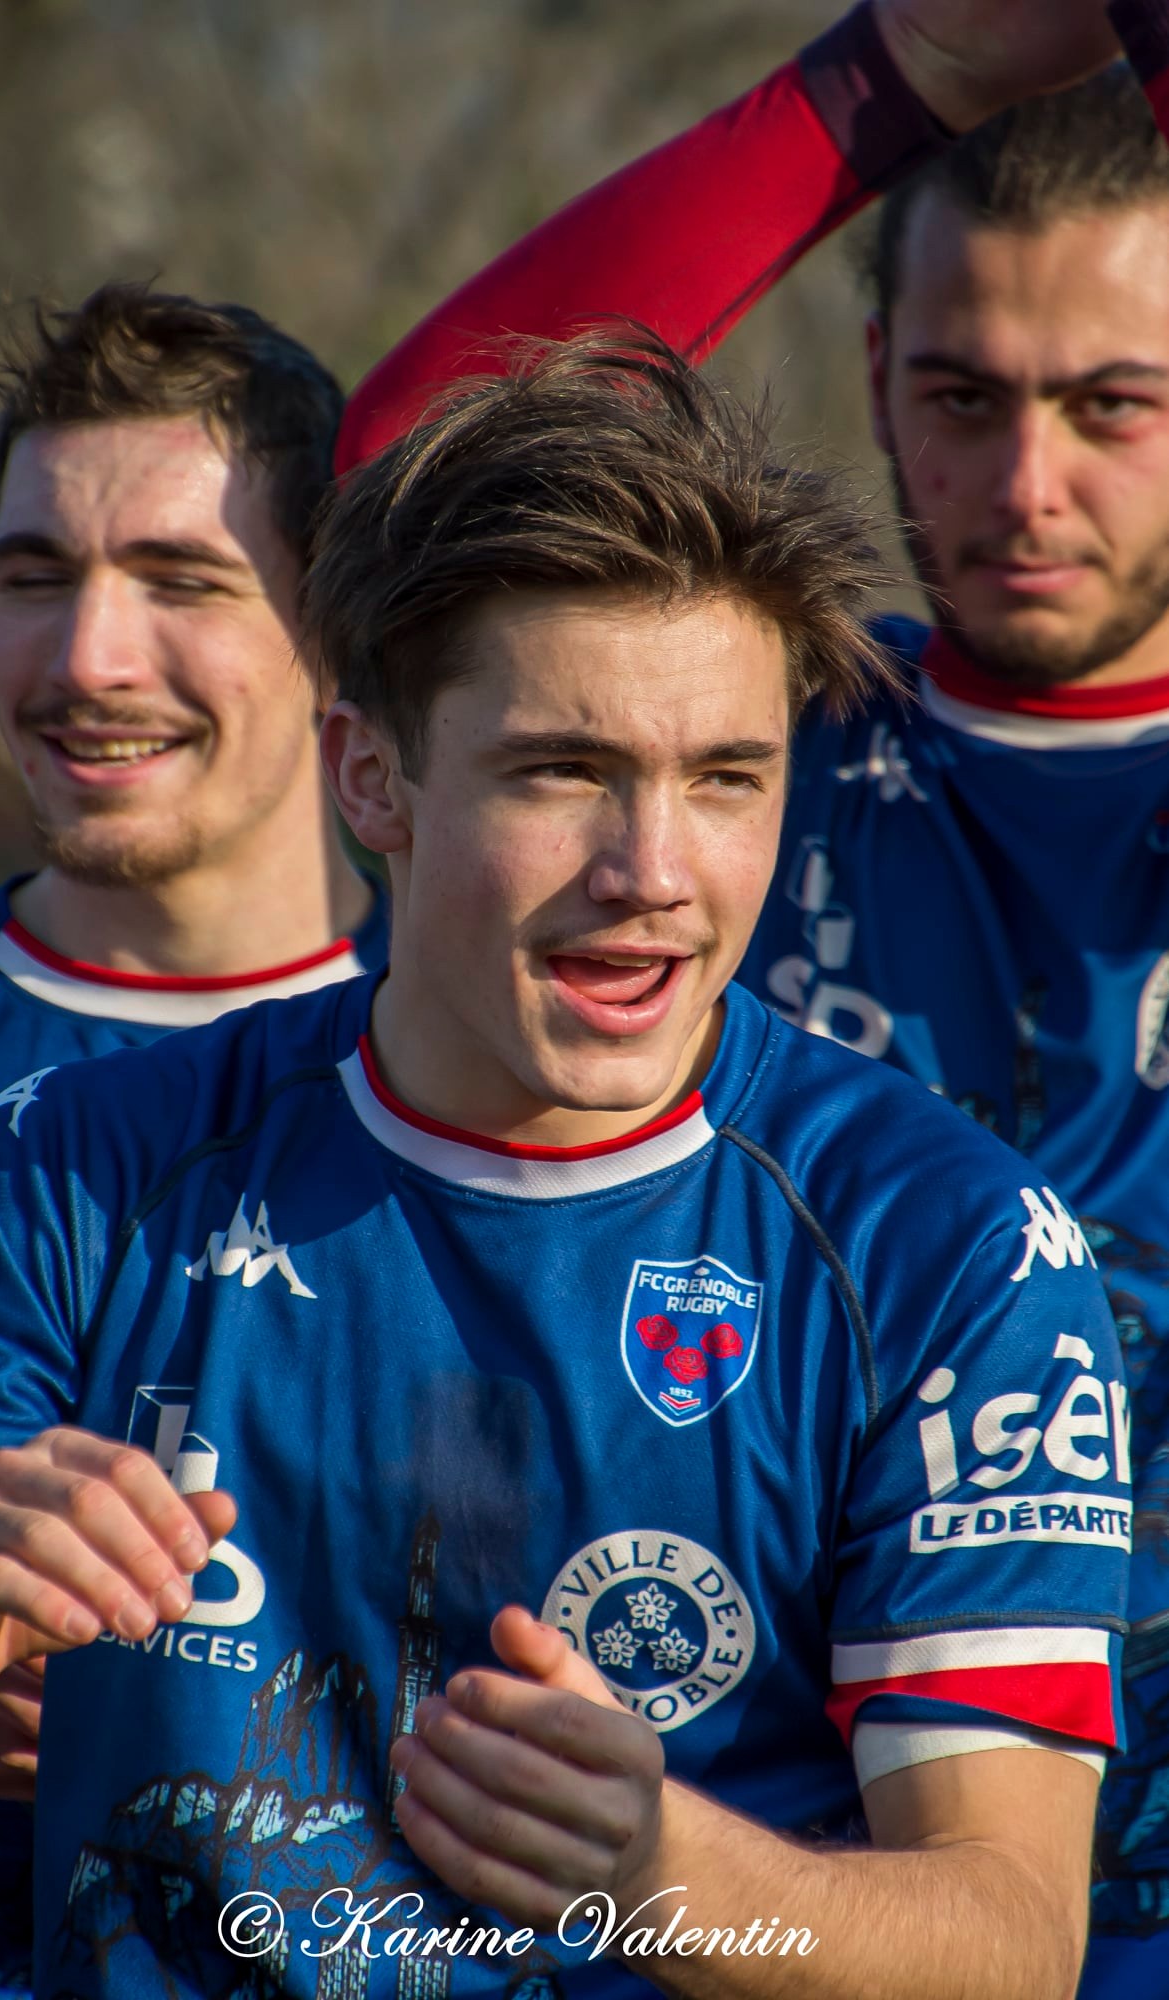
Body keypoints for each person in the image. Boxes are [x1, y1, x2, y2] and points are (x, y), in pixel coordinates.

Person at [0, 332, 1129, 2000]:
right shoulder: (72, 1171)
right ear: (373, 773)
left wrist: (661, 1867)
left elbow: (1012, 1946)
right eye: (561, 773)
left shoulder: (943, 1245)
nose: (651, 873)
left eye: (725, 780)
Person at [334, 2, 1169, 1988]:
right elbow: (397, 480)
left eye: (1110, 402)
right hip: (783, 1868)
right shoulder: (752, 744)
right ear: (870, 372)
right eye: (959, 395)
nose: (1021, 481)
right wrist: (893, 82)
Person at [0, 284, 387, 1997]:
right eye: (33, 577)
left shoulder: (498, 1083)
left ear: (335, 630)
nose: (86, 659)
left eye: (183, 581)